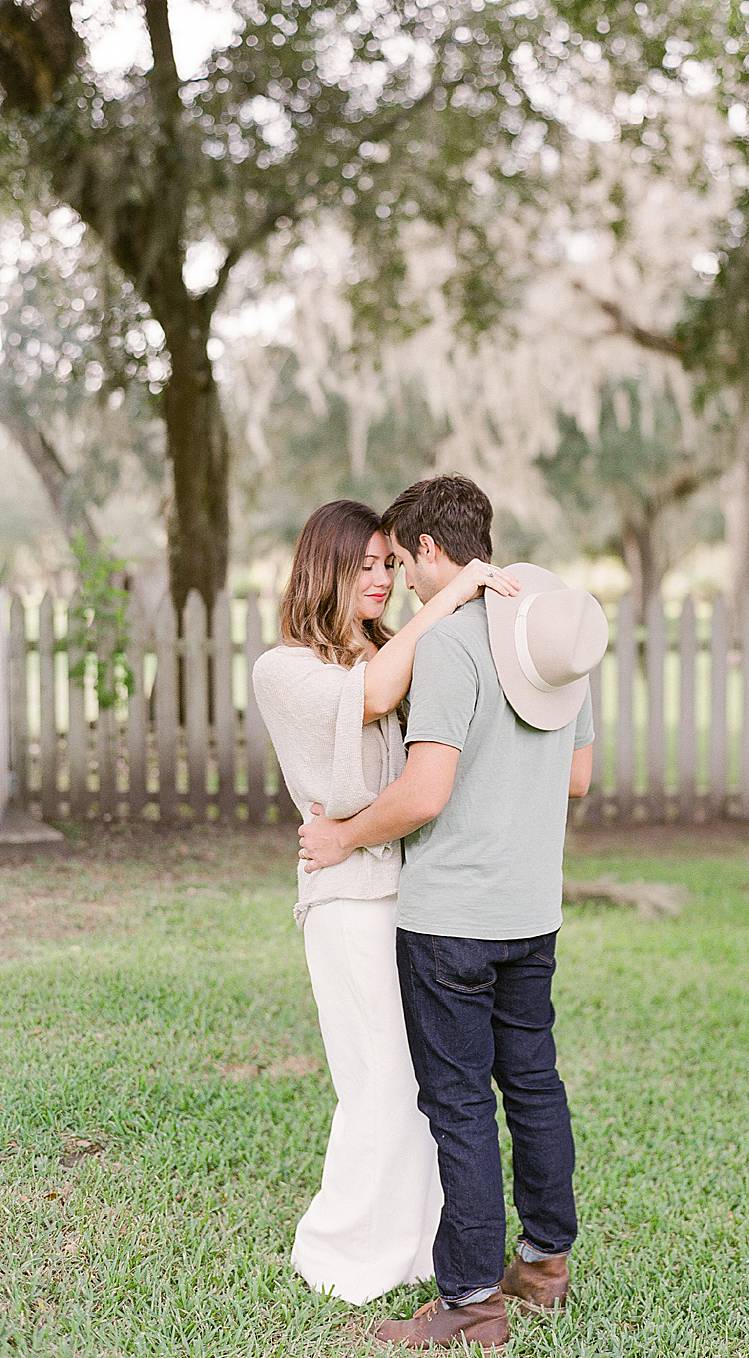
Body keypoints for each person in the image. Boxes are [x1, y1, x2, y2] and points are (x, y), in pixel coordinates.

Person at [297, 474, 605, 1353]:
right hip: (532, 910)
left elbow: (425, 792)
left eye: (399, 558)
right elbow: (577, 778)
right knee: (534, 1081)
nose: (398, 577)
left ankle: (469, 1303)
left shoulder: (453, 644)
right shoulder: (550, 629)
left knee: (461, 1103)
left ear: (430, 551)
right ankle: (544, 1265)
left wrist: (346, 835)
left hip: (451, 920)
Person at [250, 499, 518, 1304]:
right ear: (321, 568)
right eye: (363, 564)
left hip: (411, 890)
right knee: (378, 1080)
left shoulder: (385, 648)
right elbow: (367, 697)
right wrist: (454, 592)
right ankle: (341, 1253)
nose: (381, 578)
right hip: (347, 897)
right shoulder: (284, 667)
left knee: (421, 1082)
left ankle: (414, 1248)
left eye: (387, 563)